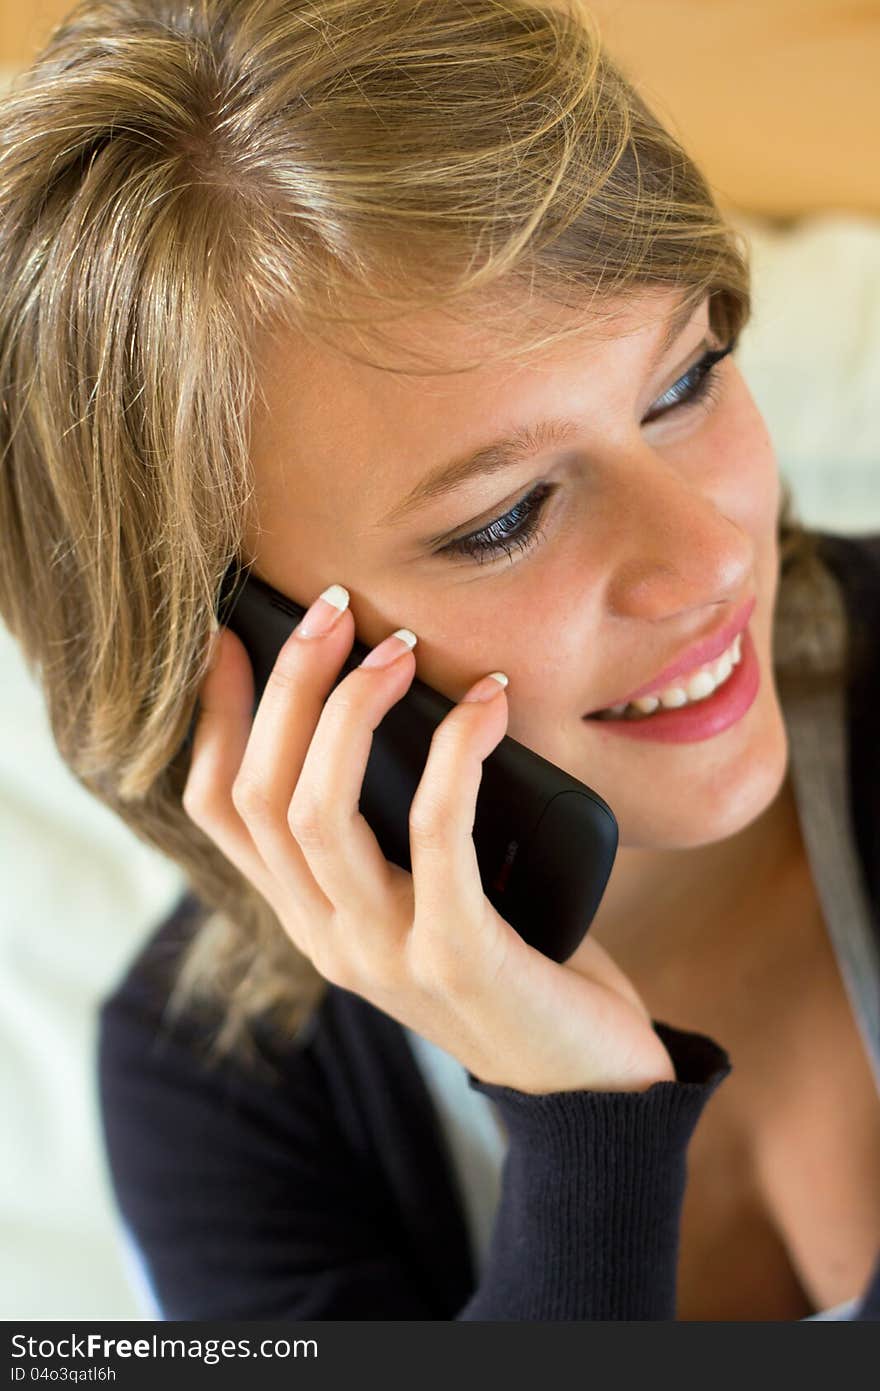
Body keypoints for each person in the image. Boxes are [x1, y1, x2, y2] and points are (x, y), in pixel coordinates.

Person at [0, 0, 877, 1322]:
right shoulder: (215, 1083)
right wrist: (584, 1123)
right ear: (231, 651)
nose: (707, 560)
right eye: (507, 517)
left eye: (685, 384)